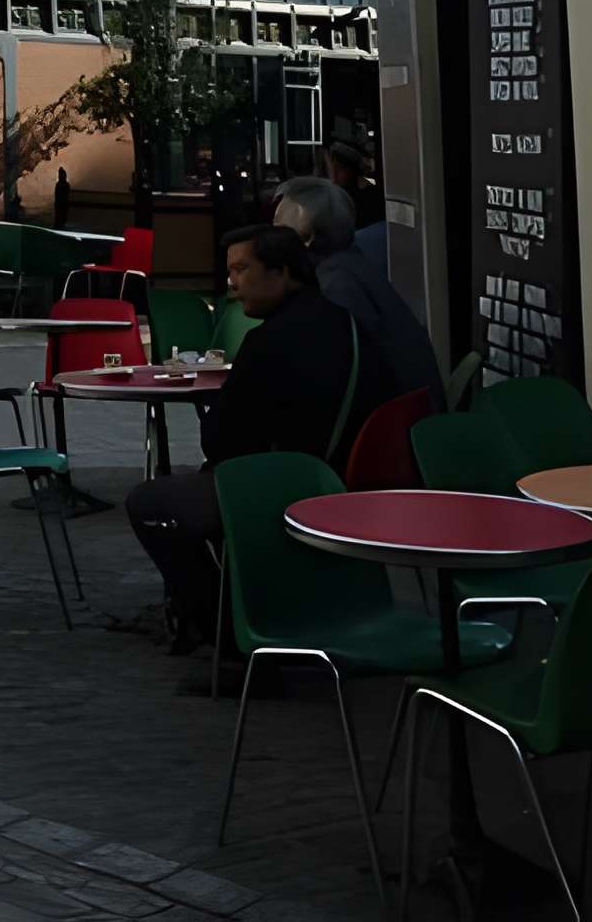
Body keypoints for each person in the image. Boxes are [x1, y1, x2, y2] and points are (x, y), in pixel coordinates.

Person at [124, 225, 393, 652]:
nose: (231, 283)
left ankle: (225, 629)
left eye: (242, 269)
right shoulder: (350, 326)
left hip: (282, 497)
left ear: (283, 272)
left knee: (149, 504)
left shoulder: (268, 341)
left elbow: (220, 441)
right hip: (350, 486)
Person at [274, 175, 438, 398]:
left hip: (395, 420)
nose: (271, 241)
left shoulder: (336, 284)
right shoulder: (352, 264)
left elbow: (342, 372)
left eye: (278, 231)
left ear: (308, 238)